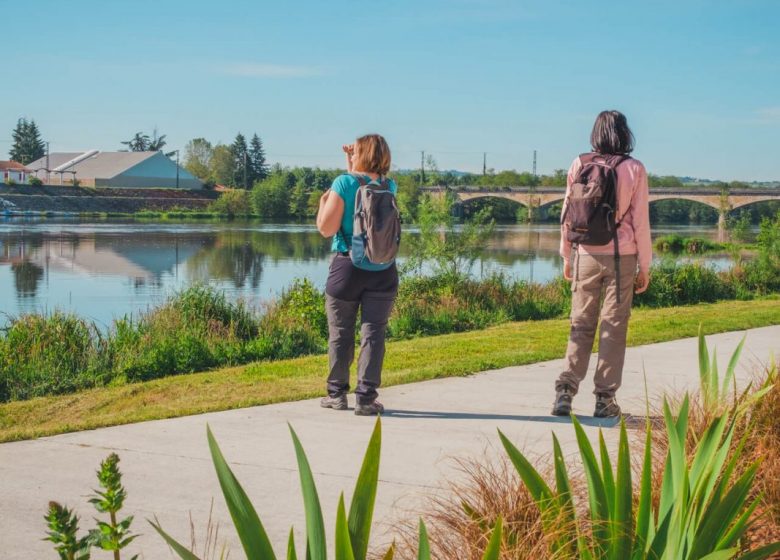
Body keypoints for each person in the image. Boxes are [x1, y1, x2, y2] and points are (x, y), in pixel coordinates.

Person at [552, 110, 651, 418]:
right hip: (621, 256)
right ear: (625, 134)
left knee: (580, 323)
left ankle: (565, 392)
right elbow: (640, 222)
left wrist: (566, 254)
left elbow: (568, 213)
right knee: (613, 326)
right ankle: (604, 399)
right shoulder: (634, 169)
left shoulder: (579, 164)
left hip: (584, 254)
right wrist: (644, 266)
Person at [315, 134, 398, 416]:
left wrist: (321, 203)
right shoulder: (390, 185)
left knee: (340, 333)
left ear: (359, 154)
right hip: (383, 269)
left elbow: (327, 229)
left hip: (347, 268)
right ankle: (366, 398)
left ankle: (336, 394)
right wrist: (350, 161)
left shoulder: (342, 183)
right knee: (373, 334)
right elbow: (362, 182)